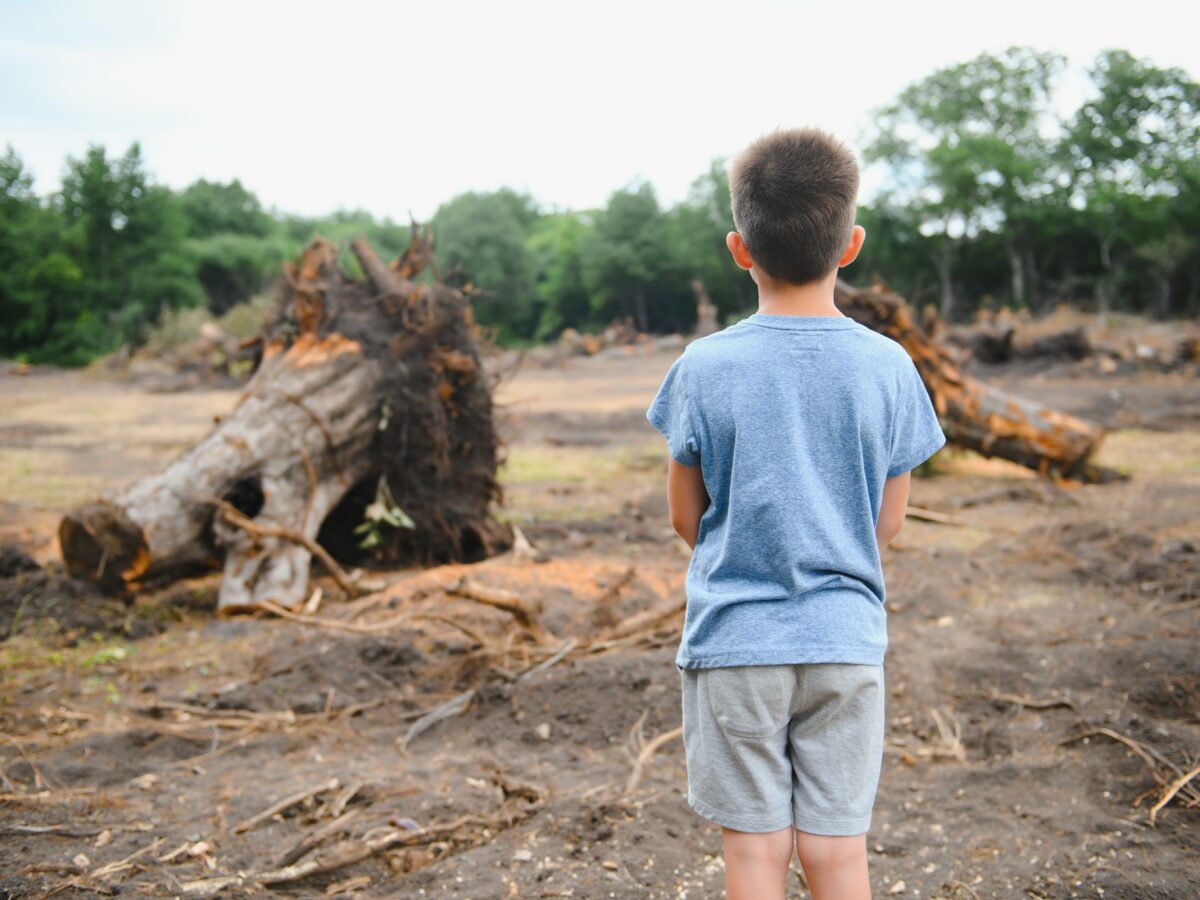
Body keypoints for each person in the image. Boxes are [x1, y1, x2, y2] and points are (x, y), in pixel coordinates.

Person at [646, 127, 946, 900]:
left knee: (754, 853)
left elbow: (687, 519)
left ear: (738, 249)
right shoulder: (889, 366)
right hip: (845, 641)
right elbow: (886, 525)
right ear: (851, 245)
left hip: (736, 641)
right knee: (838, 852)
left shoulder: (703, 366)